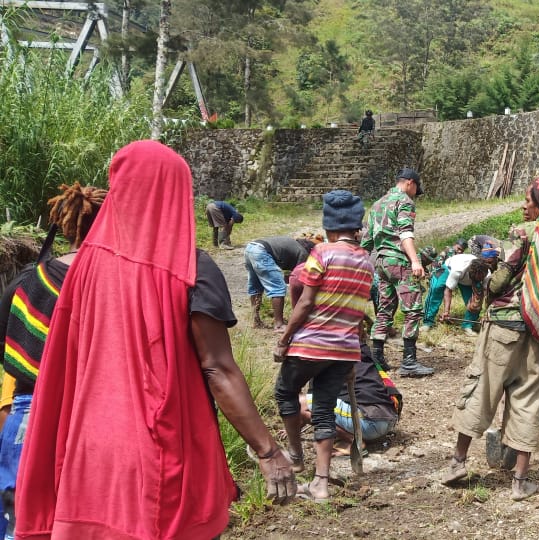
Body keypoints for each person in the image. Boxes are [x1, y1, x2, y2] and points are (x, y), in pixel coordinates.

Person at [16, 141, 295, 540]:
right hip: (158, 453)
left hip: (87, 457)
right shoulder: (189, 268)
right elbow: (217, 367)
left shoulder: (83, 267)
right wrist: (268, 451)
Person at [442, 175, 539, 501]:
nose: (523, 206)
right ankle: (520, 482)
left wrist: (487, 285)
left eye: (528, 202)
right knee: (529, 402)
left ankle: (458, 463)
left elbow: (499, 282)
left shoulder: (526, 235)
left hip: (504, 327)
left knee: (482, 391)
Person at [0, 183, 106, 538]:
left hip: (26, 416)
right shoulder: (114, 284)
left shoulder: (29, 281)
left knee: (23, 521)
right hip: (93, 416)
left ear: (65, 225)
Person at [275, 189, 375, 503]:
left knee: (284, 392)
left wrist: (284, 338)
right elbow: (359, 313)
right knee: (323, 411)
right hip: (344, 350)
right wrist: (354, 348)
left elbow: (304, 303)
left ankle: (295, 456)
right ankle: (320, 482)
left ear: (329, 227)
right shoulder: (366, 262)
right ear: (356, 227)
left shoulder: (322, 254)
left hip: (310, 345)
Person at [362, 167, 434, 378]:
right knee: (413, 310)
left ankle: (376, 358)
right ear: (410, 183)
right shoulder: (404, 201)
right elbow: (405, 234)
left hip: (381, 263)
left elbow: (367, 241)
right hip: (400, 261)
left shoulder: (377, 204)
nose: (415, 195)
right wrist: (415, 261)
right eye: (415, 190)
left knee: (385, 309)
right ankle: (409, 362)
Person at [298, 346, 402, 454]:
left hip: (370, 423)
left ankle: (354, 442)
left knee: (300, 404)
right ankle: (358, 434)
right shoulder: (361, 349)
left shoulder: (325, 354)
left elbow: (311, 403)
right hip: (389, 420)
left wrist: (294, 425)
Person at [245, 236, 316, 330]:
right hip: (262, 251)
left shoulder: (294, 246)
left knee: (255, 287)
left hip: (251, 247)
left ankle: (256, 321)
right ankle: (279, 324)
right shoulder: (304, 254)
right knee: (278, 288)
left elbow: (289, 275)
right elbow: (297, 278)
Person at [426, 245, 498, 337]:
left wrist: (485, 312)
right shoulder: (458, 270)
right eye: (476, 278)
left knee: (475, 304)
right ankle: (427, 322)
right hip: (449, 268)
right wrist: (446, 311)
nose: (478, 279)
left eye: (480, 278)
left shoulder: (487, 274)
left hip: (467, 279)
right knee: (436, 288)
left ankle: (467, 326)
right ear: (470, 272)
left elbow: (485, 294)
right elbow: (448, 290)